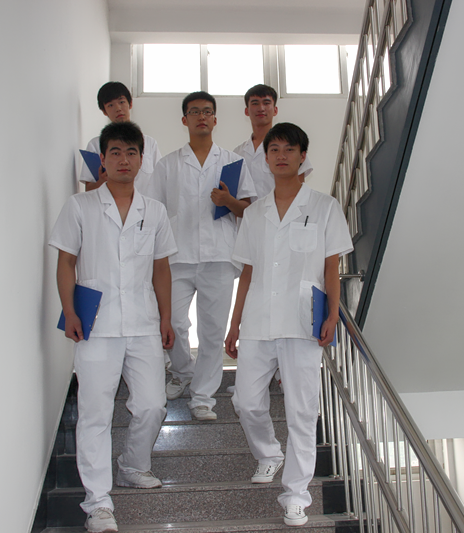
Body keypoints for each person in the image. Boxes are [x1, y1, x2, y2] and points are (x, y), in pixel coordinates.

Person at [50, 122, 177, 533]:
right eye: (116, 152)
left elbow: (161, 268)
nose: (124, 160)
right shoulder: (80, 206)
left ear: (142, 159)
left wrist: (165, 317)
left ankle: (133, 465)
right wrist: (69, 310)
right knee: (95, 413)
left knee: (153, 404)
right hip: (96, 325)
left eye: (132, 152)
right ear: (102, 160)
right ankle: (98, 504)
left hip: (142, 322)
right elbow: (66, 261)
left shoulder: (154, 211)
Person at [225, 123, 353, 527]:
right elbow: (247, 272)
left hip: (303, 322)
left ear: (302, 156)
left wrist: (332, 314)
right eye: (274, 149)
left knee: (302, 411)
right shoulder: (255, 212)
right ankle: (269, 453)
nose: (281, 155)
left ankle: (296, 496)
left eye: (289, 149)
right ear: (265, 159)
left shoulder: (325, 206)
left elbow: (331, 267)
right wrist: (234, 324)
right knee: (246, 401)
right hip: (258, 320)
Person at [145, 91, 256, 421]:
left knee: (211, 330)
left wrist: (227, 201)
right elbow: (152, 212)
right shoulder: (167, 165)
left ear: (215, 119)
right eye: (194, 112)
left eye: (207, 111)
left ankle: (203, 397)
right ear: (185, 120)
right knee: (174, 322)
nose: (201, 117)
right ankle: (183, 372)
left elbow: (248, 210)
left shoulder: (233, 163)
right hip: (176, 257)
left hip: (219, 256)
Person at [80, 81, 161, 194]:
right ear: (104, 111)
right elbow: (88, 190)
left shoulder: (149, 143)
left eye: (121, 102)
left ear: (130, 104)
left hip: (144, 203)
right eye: (110, 105)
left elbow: (160, 181)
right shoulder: (95, 145)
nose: (118, 108)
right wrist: (102, 181)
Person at [233, 84, 313, 199]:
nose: (261, 108)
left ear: (275, 110)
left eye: (266, 103)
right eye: (255, 103)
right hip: (248, 211)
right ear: (246, 111)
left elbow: (298, 189)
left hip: (281, 209)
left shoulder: (291, 147)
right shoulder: (238, 153)